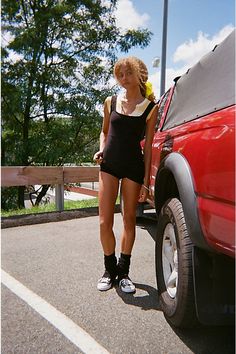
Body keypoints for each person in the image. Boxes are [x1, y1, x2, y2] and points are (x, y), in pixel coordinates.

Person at [93, 56, 158, 293]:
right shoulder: (110, 101)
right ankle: (109, 269)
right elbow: (104, 132)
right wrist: (101, 149)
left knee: (129, 220)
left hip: (133, 167)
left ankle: (124, 272)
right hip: (109, 164)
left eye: (127, 73)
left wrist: (146, 182)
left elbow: (149, 146)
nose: (122, 78)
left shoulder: (151, 108)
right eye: (119, 74)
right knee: (104, 221)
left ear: (139, 74)